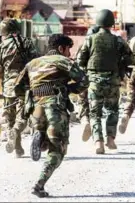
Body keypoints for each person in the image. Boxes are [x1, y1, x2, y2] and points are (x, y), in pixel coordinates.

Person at [14, 34, 88, 198]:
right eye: (68, 50)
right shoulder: (64, 61)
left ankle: (39, 135)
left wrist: (30, 95)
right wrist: (68, 89)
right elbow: (84, 82)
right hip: (55, 108)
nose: (69, 54)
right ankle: (39, 185)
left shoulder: (32, 63)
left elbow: (17, 87)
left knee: (46, 137)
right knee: (57, 150)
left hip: (36, 110)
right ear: (62, 48)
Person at [77, 9, 132, 154]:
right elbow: (129, 58)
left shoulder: (89, 39)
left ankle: (98, 143)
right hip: (113, 82)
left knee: (94, 114)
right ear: (111, 23)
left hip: (94, 83)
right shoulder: (119, 40)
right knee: (112, 111)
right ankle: (110, 139)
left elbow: (80, 60)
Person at [0, 18, 39, 158]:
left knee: (10, 117)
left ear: (2, 32)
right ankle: (16, 133)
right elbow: (36, 63)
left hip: (9, 87)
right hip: (25, 86)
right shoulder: (27, 43)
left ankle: (17, 149)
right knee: (24, 115)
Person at [77, 25, 100, 142]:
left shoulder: (83, 46)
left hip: (83, 80)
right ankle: (99, 133)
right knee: (96, 108)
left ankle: (85, 121)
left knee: (82, 104)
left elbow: (78, 63)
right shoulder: (100, 47)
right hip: (96, 81)